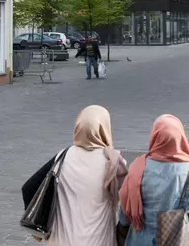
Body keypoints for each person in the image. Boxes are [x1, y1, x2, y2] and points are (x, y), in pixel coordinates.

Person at [22, 105, 128, 246]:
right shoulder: (114, 162)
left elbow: (28, 188)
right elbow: (128, 200)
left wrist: (38, 227)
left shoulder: (62, 156)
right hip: (99, 240)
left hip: (60, 240)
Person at [119, 114, 189, 246]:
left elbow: (125, 216)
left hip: (141, 240)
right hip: (179, 239)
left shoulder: (137, 168)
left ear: (155, 137)